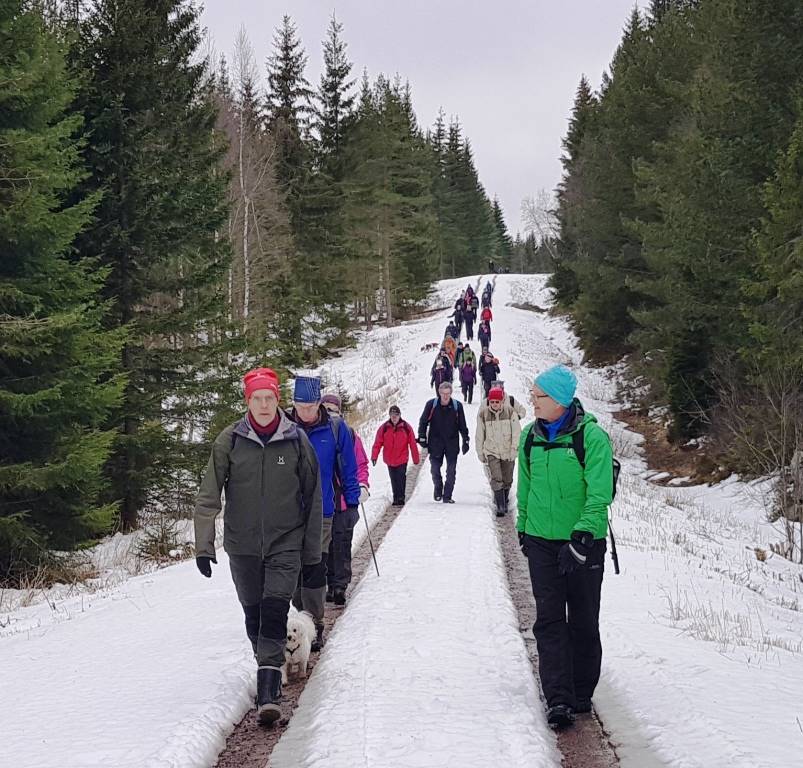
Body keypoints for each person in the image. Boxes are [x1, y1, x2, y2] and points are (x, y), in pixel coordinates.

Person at [193, 367, 322, 724]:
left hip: (286, 543)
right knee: (254, 615)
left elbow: (313, 499)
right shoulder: (230, 440)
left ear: (277, 400)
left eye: (269, 398)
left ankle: (269, 692)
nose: (264, 405)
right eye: (257, 398)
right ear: (247, 401)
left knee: (275, 611)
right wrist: (204, 546)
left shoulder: (296, 440)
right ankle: (268, 665)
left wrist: (313, 556)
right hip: (243, 546)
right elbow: (208, 495)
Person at [517, 365, 614, 729]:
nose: (533, 401)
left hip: (583, 543)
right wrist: (523, 528)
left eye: (538, 396)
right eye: (533, 395)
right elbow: (525, 486)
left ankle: (581, 691)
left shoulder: (592, 438)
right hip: (541, 541)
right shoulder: (529, 437)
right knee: (549, 619)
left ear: (559, 400)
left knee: (584, 619)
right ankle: (558, 698)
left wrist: (583, 536)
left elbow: (600, 493)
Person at [286, 375, 360, 650]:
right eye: (300, 406)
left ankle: (315, 623)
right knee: (293, 567)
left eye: (310, 406)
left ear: (319, 403)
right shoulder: (284, 427)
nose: (305, 412)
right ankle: (300, 615)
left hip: (324, 509)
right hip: (288, 512)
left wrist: (352, 502)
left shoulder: (336, 428)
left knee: (315, 566)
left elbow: (349, 467)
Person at [320, 394, 369, 607]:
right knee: (326, 545)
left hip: (344, 499)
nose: (330, 412)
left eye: (333, 409)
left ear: (339, 411)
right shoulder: (315, 435)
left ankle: (340, 585)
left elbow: (360, 464)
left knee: (341, 543)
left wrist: (362, 485)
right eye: (326, 408)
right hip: (323, 501)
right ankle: (329, 584)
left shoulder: (349, 434)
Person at [417, 381, 469, 503]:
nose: (445, 396)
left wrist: (465, 440)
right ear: (439, 393)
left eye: (448, 393)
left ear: (451, 393)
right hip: (435, 442)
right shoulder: (431, 405)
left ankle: (447, 495)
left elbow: (462, 425)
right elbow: (423, 421)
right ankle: (438, 487)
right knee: (435, 469)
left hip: (452, 443)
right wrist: (422, 436)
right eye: (443, 393)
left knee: (451, 471)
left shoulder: (457, 406)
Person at [476, 386, 521, 516]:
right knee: (497, 477)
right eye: (492, 402)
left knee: (507, 478)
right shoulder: (483, 414)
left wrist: (514, 449)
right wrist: (480, 452)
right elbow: (480, 434)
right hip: (492, 451)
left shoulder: (510, 412)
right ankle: (500, 506)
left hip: (508, 451)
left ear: (502, 401)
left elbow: (516, 432)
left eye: (497, 402)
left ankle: (504, 500)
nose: (494, 404)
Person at [371, 405, 420, 506]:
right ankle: (396, 498)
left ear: (400, 415)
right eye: (392, 415)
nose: (394, 417)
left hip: (402, 458)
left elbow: (412, 444)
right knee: (393, 479)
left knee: (401, 478)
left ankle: (401, 497)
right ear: (389, 416)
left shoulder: (406, 427)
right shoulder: (384, 428)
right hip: (389, 459)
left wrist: (416, 459)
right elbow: (377, 443)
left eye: (396, 415)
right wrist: (374, 456)